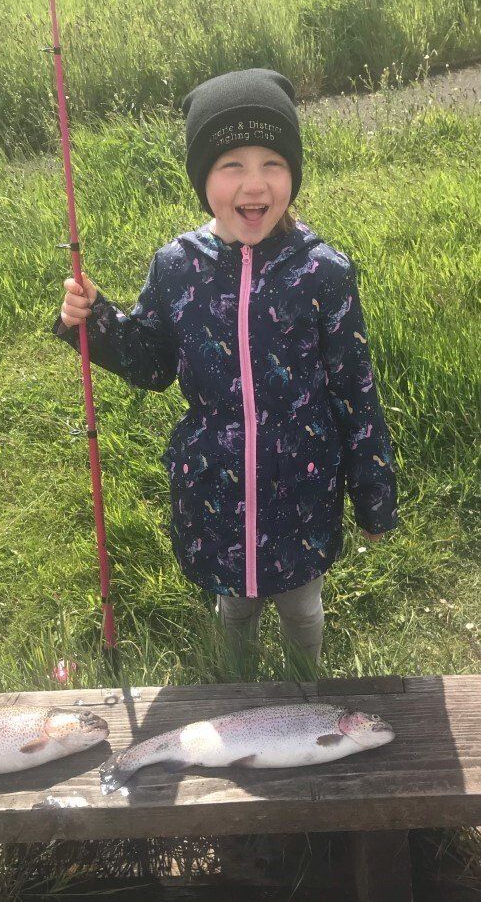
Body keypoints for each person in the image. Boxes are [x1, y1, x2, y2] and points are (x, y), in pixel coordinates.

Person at [52, 68, 398, 670]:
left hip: (302, 487)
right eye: (231, 164)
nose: (254, 183)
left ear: (294, 173)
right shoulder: (176, 266)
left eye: (273, 163)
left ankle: (304, 685)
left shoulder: (324, 272)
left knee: (301, 607)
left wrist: (374, 496)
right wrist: (97, 321)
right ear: (202, 178)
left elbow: (355, 392)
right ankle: (237, 684)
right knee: (234, 605)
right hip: (216, 485)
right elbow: (155, 363)